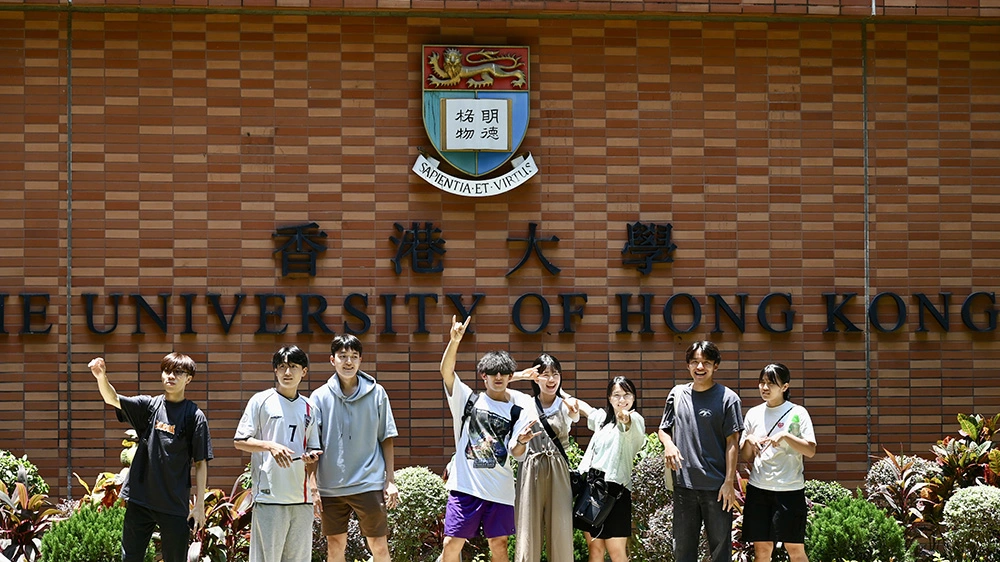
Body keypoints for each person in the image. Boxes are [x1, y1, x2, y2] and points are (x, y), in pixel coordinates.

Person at [89, 353, 213, 562]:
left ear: (188, 378)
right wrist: (101, 377)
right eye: (166, 371)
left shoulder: (194, 416)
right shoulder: (149, 406)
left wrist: (199, 505)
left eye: (178, 372)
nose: (170, 376)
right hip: (141, 499)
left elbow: (200, 462)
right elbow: (113, 399)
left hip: (173, 503)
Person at [439, 315, 539, 562]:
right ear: (483, 376)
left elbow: (516, 452)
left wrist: (523, 441)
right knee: (451, 543)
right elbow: (446, 371)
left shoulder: (520, 407)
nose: (498, 378)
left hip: (500, 488)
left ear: (509, 375)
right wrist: (454, 341)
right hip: (465, 486)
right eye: (492, 373)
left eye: (504, 373)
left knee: (500, 545)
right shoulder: (468, 399)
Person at [310, 334, 399, 562]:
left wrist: (390, 480)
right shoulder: (318, 397)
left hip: (368, 482)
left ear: (360, 360)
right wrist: (313, 487)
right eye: (343, 357)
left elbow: (386, 437)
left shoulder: (377, 393)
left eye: (354, 357)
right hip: (330, 486)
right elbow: (313, 446)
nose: (348, 362)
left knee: (379, 546)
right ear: (332, 360)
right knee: (335, 546)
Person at [234, 345, 323, 562]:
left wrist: (311, 468)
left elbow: (313, 450)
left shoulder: (311, 407)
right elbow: (240, 441)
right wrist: (271, 446)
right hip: (269, 497)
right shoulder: (261, 401)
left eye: (293, 366)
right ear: (275, 371)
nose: (287, 372)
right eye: (282, 367)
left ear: (304, 371)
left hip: (301, 501)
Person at [657, 341, 743, 562]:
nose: (700, 367)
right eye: (694, 361)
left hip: (717, 489)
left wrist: (729, 482)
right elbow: (663, 430)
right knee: (683, 552)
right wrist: (668, 444)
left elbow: (733, 443)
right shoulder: (677, 394)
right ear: (688, 365)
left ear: (716, 366)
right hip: (684, 486)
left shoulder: (728, 398)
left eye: (706, 362)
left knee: (720, 552)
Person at [740, 363, 816, 562]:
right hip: (758, 488)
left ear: (785, 387)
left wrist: (785, 436)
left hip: (790, 489)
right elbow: (745, 455)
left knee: (795, 549)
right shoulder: (753, 413)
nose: (765, 388)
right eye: (762, 383)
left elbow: (810, 450)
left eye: (771, 383)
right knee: (762, 550)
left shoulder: (798, 413)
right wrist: (749, 440)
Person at [511, 354, 580, 562]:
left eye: (555, 374)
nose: (551, 380)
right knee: (527, 530)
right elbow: (499, 382)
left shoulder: (567, 404)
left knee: (561, 529)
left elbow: (584, 413)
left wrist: (573, 408)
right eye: (545, 375)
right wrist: (522, 376)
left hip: (558, 470)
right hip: (530, 467)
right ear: (535, 378)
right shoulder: (524, 404)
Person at [571, 375, 646, 562]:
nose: (622, 400)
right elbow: (585, 408)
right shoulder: (603, 419)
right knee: (595, 550)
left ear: (634, 397)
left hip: (616, 493)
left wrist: (625, 417)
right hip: (592, 490)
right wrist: (558, 392)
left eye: (627, 395)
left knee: (617, 552)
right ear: (609, 398)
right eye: (617, 395)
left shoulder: (635, 419)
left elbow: (629, 422)